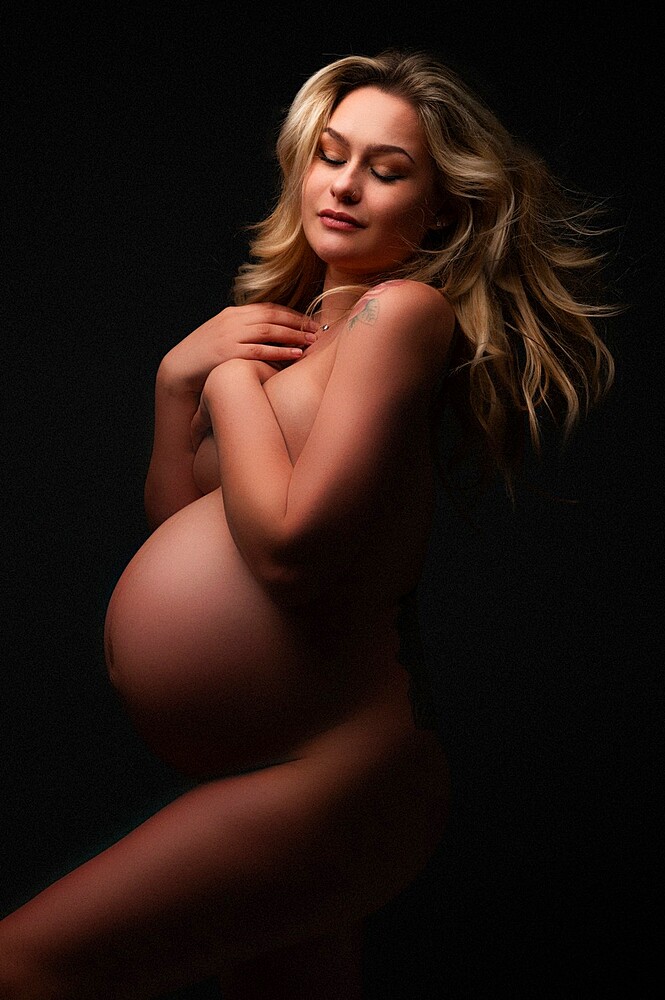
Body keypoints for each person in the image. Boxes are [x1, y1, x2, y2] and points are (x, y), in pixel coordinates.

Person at [0, 48, 615, 999]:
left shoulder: (401, 315)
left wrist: (230, 379)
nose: (346, 184)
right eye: (331, 154)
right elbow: (185, 530)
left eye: (387, 167)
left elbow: (289, 550)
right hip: (265, 773)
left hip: (332, 781)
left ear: (442, 207)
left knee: (23, 962)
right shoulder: (287, 332)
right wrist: (175, 382)